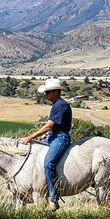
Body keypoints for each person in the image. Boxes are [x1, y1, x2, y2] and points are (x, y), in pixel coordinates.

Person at [21, 78, 72, 210]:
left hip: (60, 138)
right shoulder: (57, 105)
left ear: (56, 92)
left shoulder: (60, 105)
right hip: (54, 136)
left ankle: (54, 198)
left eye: (48, 92)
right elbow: (53, 127)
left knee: (48, 164)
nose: (46, 94)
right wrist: (47, 135)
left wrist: (30, 137)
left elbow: (49, 125)